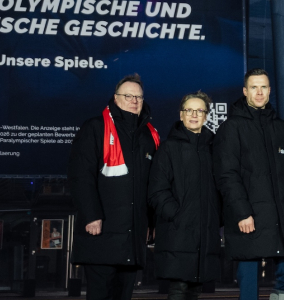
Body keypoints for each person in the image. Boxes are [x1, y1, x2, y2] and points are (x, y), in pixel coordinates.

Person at [66, 75, 161, 300]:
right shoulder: (95, 127)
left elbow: (152, 184)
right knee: (100, 293)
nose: (134, 100)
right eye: (128, 95)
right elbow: (81, 176)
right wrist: (91, 216)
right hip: (102, 232)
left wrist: (151, 222)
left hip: (132, 236)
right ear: (116, 99)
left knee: (124, 295)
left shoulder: (149, 135)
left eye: (138, 96)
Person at [215, 70, 284, 300]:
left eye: (263, 87)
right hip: (249, 217)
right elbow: (227, 175)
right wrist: (242, 212)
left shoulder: (280, 127)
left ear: (270, 90)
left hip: (281, 216)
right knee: (249, 277)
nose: (259, 92)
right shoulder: (231, 127)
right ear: (245, 91)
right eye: (254, 87)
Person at [150, 92, 222, 300]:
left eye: (199, 110)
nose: (194, 114)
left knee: (195, 291)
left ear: (206, 116)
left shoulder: (214, 148)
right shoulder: (168, 149)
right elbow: (157, 190)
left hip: (205, 233)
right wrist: (178, 215)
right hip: (177, 233)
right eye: (189, 110)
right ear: (181, 115)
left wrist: (215, 218)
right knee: (179, 289)